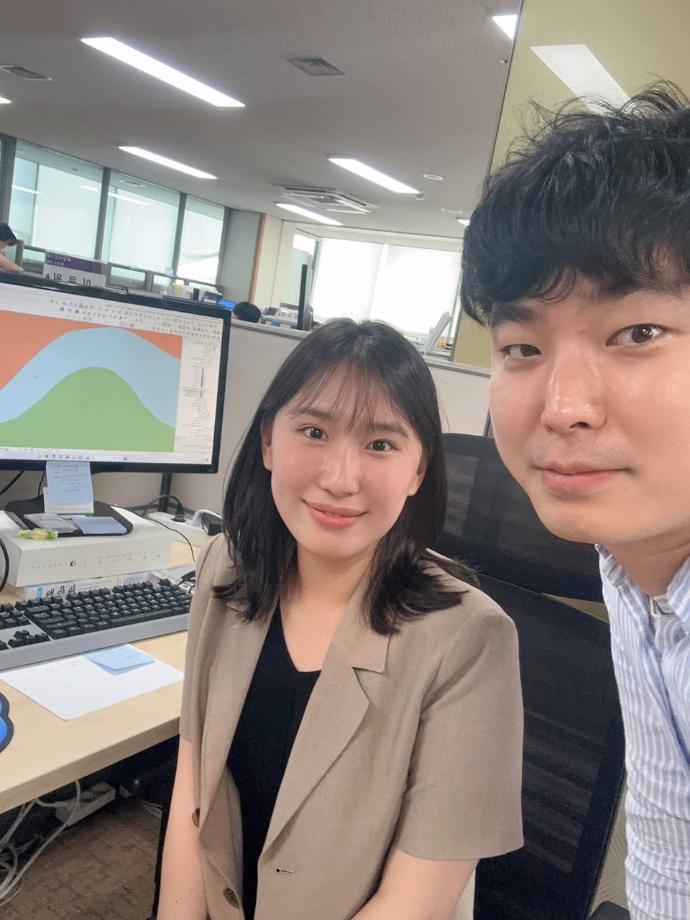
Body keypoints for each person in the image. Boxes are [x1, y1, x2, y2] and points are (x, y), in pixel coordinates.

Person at [158, 319, 523, 920]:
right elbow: (191, 785)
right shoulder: (228, 566)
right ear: (269, 441)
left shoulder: (470, 641)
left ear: (418, 471)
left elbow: (412, 904)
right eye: (314, 431)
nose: (339, 479)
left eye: (380, 445)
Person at [460, 85, 690, 919]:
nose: (562, 408)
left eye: (637, 334)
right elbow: (667, 840)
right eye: (522, 347)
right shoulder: (632, 566)